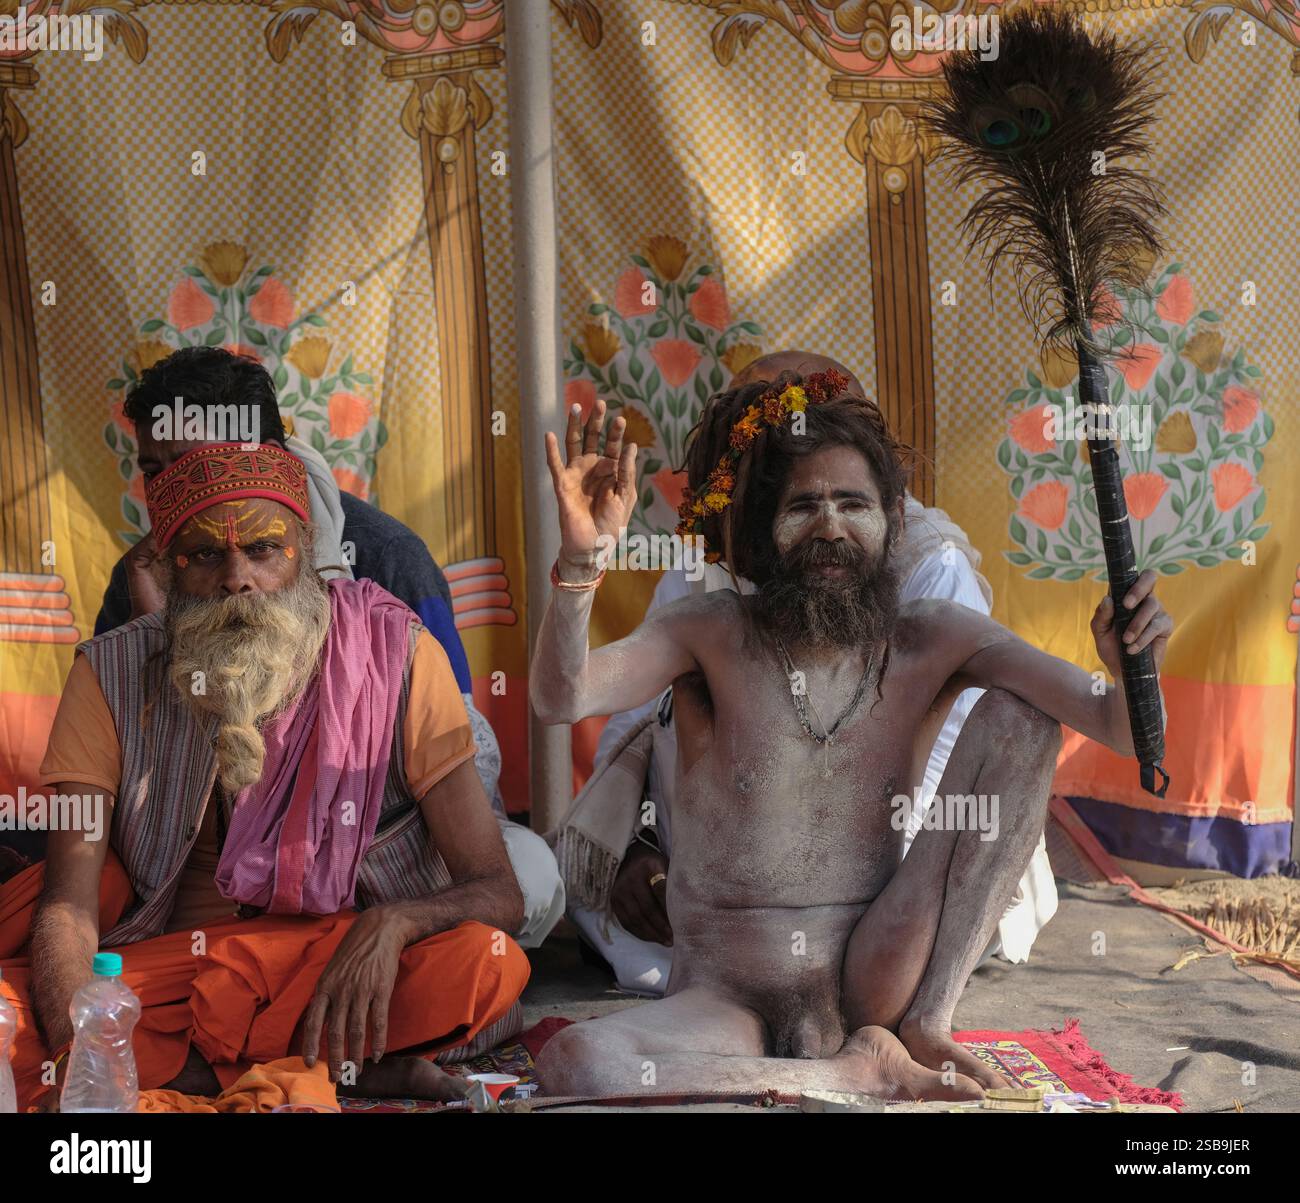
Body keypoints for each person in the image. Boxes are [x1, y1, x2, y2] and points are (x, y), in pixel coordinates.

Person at [531, 367, 1172, 1098]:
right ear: (765, 528)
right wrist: (580, 565)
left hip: (877, 976)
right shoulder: (708, 631)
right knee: (575, 1063)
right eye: (803, 506)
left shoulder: (933, 637)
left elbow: (1120, 729)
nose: (830, 528)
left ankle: (928, 1023)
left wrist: (1133, 667)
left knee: (1022, 722)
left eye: (853, 504)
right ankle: (849, 1074)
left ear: (893, 519)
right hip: (726, 997)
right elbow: (560, 697)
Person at [0, 442, 530, 1109]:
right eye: (205, 554)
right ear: (167, 567)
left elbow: (498, 889)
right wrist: (77, 1055)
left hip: (333, 969)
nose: (237, 578)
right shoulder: (108, 674)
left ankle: (193, 1071)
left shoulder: (396, 654)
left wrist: (396, 921)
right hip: (171, 973)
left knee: (486, 964)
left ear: (304, 551)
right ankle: (345, 1071)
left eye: (262, 549)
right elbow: (70, 906)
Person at [567, 352, 1055, 994]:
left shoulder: (929, 565)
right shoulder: (707, 560)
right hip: (720, 886)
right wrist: (638, 845)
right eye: (752, 435)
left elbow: (951, 756)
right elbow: (632, 720)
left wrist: (844, 897)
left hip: (894, 874)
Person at [91, 347, 563, 948]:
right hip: (202, 874)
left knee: (528, 875)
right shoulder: (144, 571)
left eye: (188, 464)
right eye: (153, 471)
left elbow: (466, 749)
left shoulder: (387, 555)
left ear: (261, 455)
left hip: (385, 851)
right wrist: (159, 637)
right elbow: (118, 763)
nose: (168, 491)